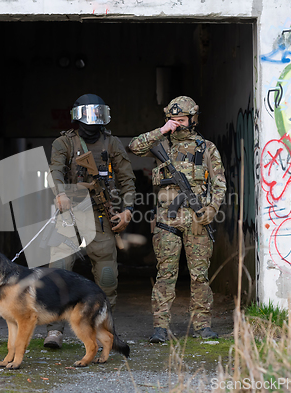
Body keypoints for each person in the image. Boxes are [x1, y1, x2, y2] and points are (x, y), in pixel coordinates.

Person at [128, 96, 226, 342]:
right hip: (166, 222)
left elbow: (220, 185)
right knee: (165, 274)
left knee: (199, 276)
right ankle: (161, 327)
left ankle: (202, 325)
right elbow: (134, 147)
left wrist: (211, 210)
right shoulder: (161, 143)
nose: (177, 125)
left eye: (181, 120)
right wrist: (162, 131)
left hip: (197, 221)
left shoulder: (207, 148)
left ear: (193, 119)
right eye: (172, 120)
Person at [44, 93, 136, 348]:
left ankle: (104, 330)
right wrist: (60, 193)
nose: (94, 120)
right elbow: (56, 170)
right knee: (58, 274)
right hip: (70, 216)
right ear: (77, 116)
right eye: (89, 114)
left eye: (99, 114)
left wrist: (127, 209)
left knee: (107, 277)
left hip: (100, 218)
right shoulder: (64, 142)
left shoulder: (112, 143)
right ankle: (54, 330)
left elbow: (127, 179)